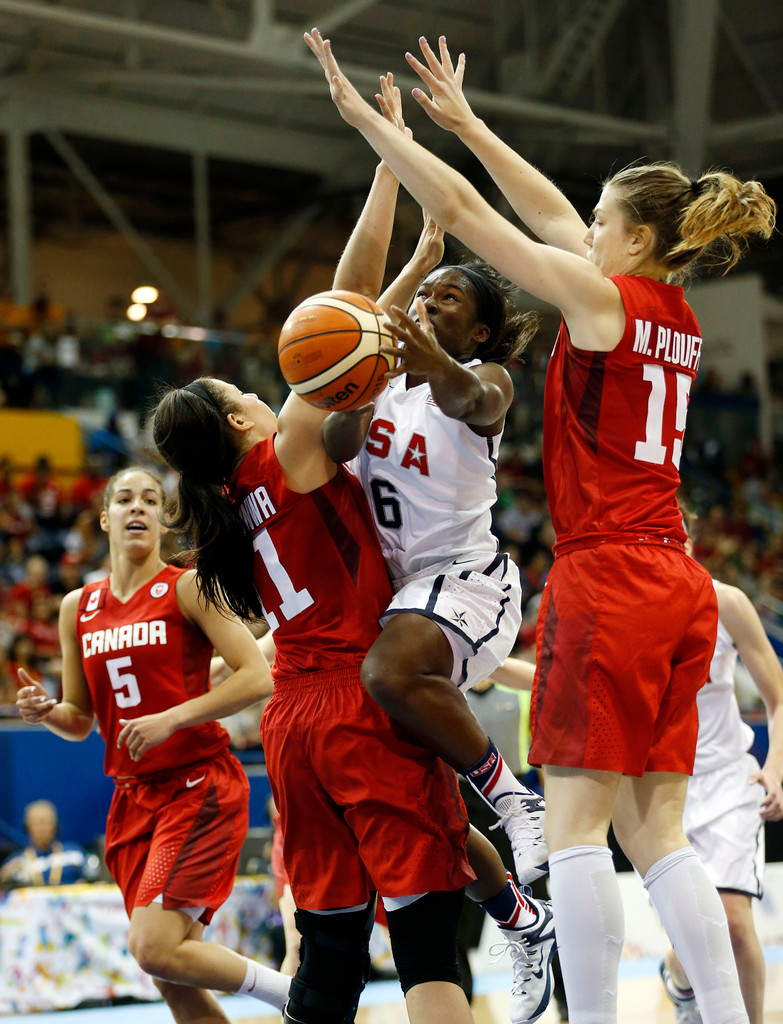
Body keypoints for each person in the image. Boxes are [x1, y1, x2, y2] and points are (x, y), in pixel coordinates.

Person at [303, 28, 777, 1024]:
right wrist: (471, 122)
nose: (586, 232)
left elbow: (472, 212)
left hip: (610, 578)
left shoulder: (602, 300)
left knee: (572, 831)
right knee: (659, 837)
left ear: (635, 240)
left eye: (604, 223)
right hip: (680, 579)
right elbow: (553, 213)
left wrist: (370, 131)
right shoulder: (672, 314)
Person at [14, 466, 290, 1024]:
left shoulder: (185, 587)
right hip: (131, 800)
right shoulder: (78, 607)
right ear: (105, 518)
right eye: (123, 499)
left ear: (164, 521)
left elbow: (254, 676)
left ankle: (299, 996)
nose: (136, 507)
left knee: (153, 947)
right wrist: (47, 714)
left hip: (198, 785)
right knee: (168, 977)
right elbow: (81, 718)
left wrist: (172, 718)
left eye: (149, 499)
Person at [660, 541, 783, 1024]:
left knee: (733, 922)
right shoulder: (625, 612)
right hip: (662, 793)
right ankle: (680, 986)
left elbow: (778, 698)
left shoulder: (725, 602)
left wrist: (774, 767)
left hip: (730, 784)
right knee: (689, 938)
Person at [0, 798, 99, 887]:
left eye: (46, 822)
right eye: (37, 823)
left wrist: (86, 885)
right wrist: (3, 878)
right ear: (28, 827)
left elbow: (95, 880)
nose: (42, 828)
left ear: (55, 826)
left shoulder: (75, 852)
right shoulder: (17, 861)